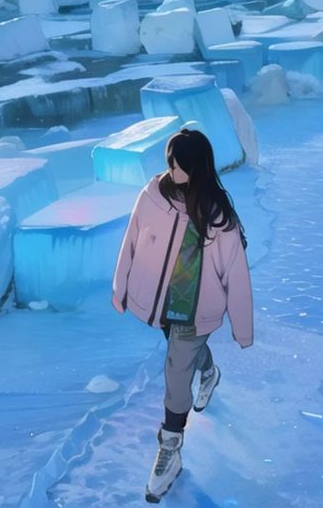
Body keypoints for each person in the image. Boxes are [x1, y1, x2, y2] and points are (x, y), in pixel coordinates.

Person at [111, 127, 254, 503]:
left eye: (179, 166)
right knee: (184, 355)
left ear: (197, 167)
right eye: (170, 163)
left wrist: (243, 328)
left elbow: (237, 276)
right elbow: (131, 238)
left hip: (197, 308)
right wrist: (120, 285)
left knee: (176, 370)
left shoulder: (218, 217)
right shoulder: (153, 195)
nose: (171, 171)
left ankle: (170, 448)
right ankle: (209, 372)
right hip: (161, 303)